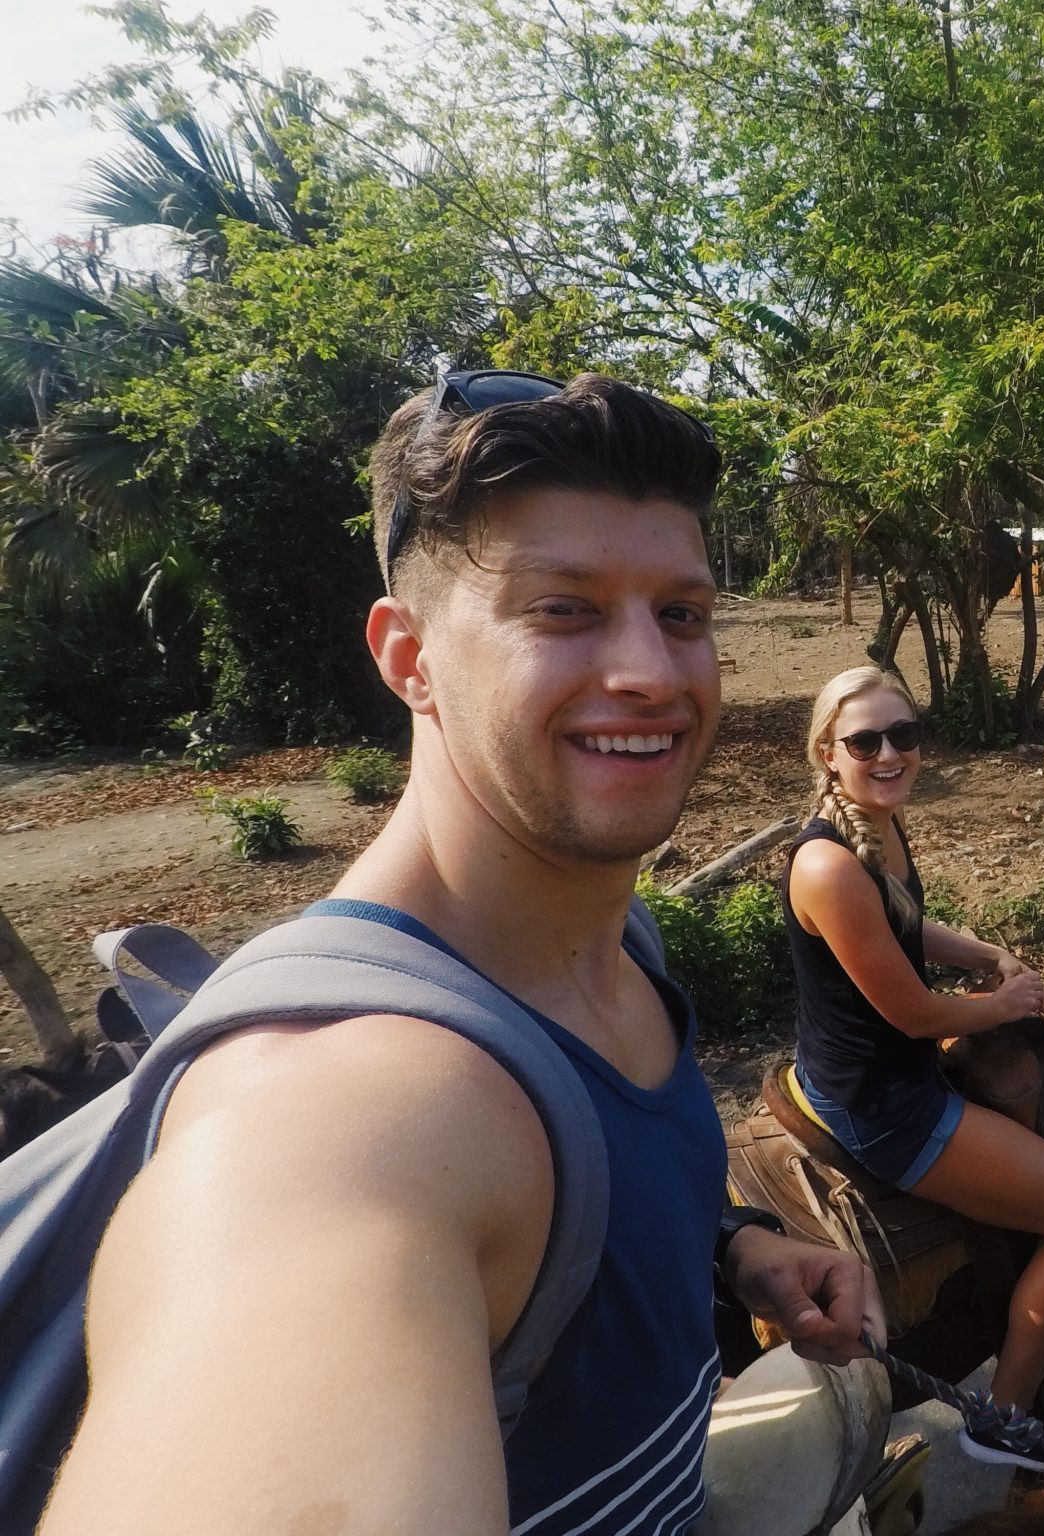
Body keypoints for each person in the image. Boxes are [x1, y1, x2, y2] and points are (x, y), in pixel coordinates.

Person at [39, 372, 884, 1536]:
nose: (650, 668)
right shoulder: (342, 1112)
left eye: (681, 613)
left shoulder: (613, 938)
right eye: (563, 608)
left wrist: (734, 1249)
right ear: (408, 657)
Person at [782, 666, 1044, 1472]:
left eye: (906, 734)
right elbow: (918, 1016)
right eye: (867, 741)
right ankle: (1002, 1418)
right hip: (882, 1100)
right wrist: (1008, 1002)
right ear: (829, 753)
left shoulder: (879, 822)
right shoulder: (828, 865)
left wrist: (983, 952)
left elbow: (905, 927)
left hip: (886, 1066)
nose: (891, 752)